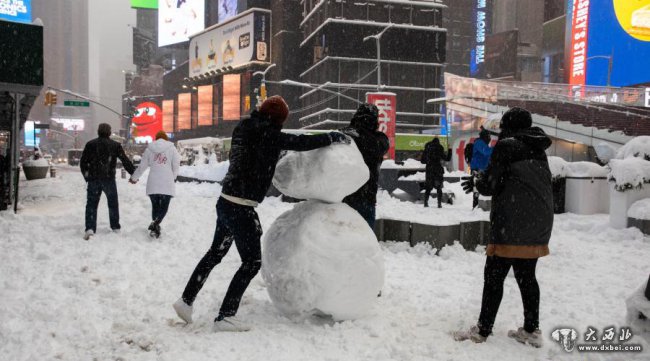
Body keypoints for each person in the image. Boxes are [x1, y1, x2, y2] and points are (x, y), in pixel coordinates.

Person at [173, 96, 349, 332]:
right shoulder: (266, 133)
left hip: (226, 201)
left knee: (215, 253)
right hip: (241, 207)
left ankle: (186, 300)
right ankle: (226, 315)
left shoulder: (245, 128)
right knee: (252, 262)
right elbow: (297, 142)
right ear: (277, 119)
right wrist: (330, 137)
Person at [454, 107, 553, 347]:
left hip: (512, 222)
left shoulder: (507, 146)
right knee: (527, 276)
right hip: (539, 222)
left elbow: (490, 185)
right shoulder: (539, 149)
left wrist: (476, 181)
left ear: (508, 126)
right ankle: (531, 330)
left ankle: (482, 330)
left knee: (494, 276)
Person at [80, 123, 135, 240]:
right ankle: (115, 226)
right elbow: (125, 161)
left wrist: (87, 176)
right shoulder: (115, 145)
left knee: (91, 204)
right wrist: (134, 174)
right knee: (113, 203)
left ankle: (90, 228)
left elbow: (83, 162)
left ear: (98, 131)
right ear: (109, 133)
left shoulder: (90, 144)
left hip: (94, 179)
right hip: (109, 179)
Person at [340, 103, 389, 228]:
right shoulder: (379, 139)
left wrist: (357, 131)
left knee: (341, 238)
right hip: (363, 197)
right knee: (364, 239)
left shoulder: (346, 135)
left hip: (345, 196)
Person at [129, 131, 181, 238]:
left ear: (156, 139)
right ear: (166, 139)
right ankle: (156, 224)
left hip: (153, 182)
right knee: (164, 207)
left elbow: (142, 167)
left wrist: (134, 178)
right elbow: (176, 166)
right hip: (167, 182)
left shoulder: (149, 149)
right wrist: (173, 177)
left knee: (155, 206)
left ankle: (155, 228)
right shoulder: (172, 149)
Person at [420, 138, 452, 208]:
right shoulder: (439, 148)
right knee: (438, 187)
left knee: (428, 187)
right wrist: (450, 149)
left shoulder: (427, 148)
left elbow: (422, 161)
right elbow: (447, 159)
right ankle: (439, 204)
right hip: (437, 169)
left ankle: (425, 203)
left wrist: (429, 160)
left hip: (429, 169)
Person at [469, 128, 493, 208]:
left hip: (482, 168)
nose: (490, 139)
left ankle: (478, 206)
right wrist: (497, 149)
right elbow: (486, 151)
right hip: (477, 168)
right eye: (489, 136)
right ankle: (475, 206)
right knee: (477, 188)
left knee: (481, 187)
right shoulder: (479, 142)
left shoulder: (483, 143)